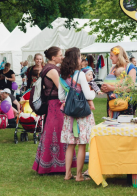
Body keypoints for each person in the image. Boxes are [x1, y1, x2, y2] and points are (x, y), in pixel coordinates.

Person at [32, 46, 76, 174]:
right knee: (56, 132)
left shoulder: (49, 68)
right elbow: (62, 88)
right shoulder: (52, 70)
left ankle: (55, 163)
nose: (62, 57)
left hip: (54, 104)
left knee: (54, 132)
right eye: (60, 55)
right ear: (53, 57)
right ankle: (56, 164)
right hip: (55, 105)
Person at [59, 47, 95, 181]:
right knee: (82, 144)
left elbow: (60, 96)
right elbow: (87, 94)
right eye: (80, 57)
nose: (81, 59)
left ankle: (67, 174)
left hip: (69, 114)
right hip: (82, 113)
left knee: (70, 144)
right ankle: (79, 175)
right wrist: (94, 93)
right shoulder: (79, 75)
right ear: (75, 59)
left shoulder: (62, 76)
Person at [101, 46, 137, 119]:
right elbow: (109, 83)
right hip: (112, 105)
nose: (110, 58)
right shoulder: (113, 68)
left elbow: (131, 87)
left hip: (125, 105)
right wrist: (104, 88)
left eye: (112, 55)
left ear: (118, 56)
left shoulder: (130, 67)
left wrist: (111, 88)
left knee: (125, 129)